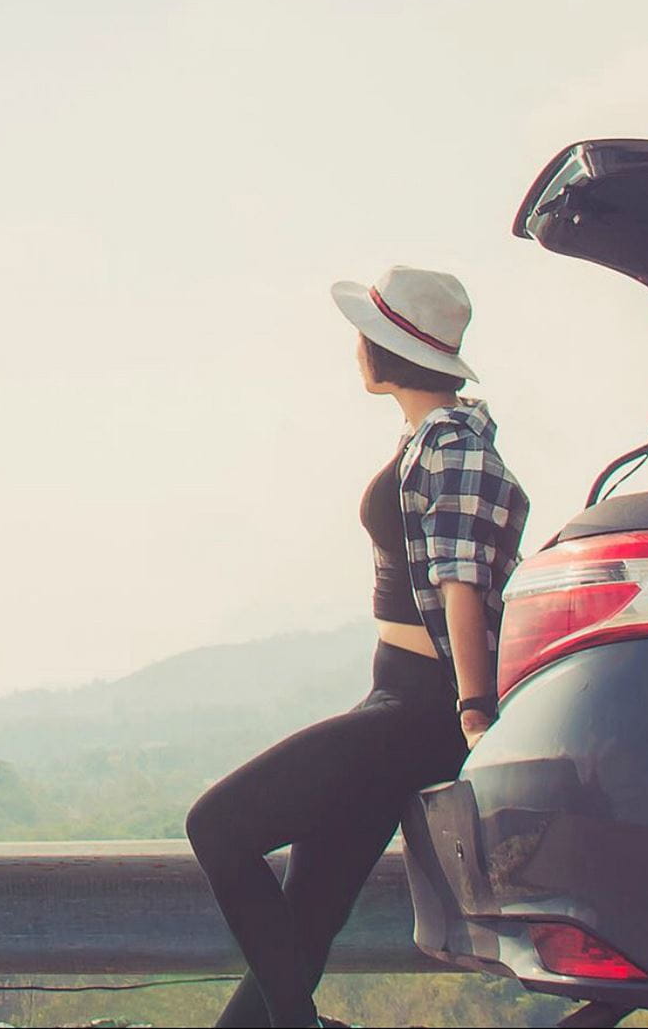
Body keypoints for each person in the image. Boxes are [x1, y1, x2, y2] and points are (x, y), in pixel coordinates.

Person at [186, 265, 533, 1028]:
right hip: (396, 699)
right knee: (303, 923)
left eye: (364, 335)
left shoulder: (453, 446)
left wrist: (474, 712)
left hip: (423, 710)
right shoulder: (428, 440)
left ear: (391, 349)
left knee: (217, 826)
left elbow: (461, 586)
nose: (355, 349)